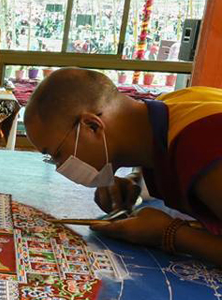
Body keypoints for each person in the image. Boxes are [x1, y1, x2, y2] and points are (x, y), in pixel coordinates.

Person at [24, 67, 222, 267]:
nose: (60, 167)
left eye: (57, 155)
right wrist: (136, 180)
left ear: (92, 126)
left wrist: (171, 234)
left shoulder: (202, 141)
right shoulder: (167, 109)